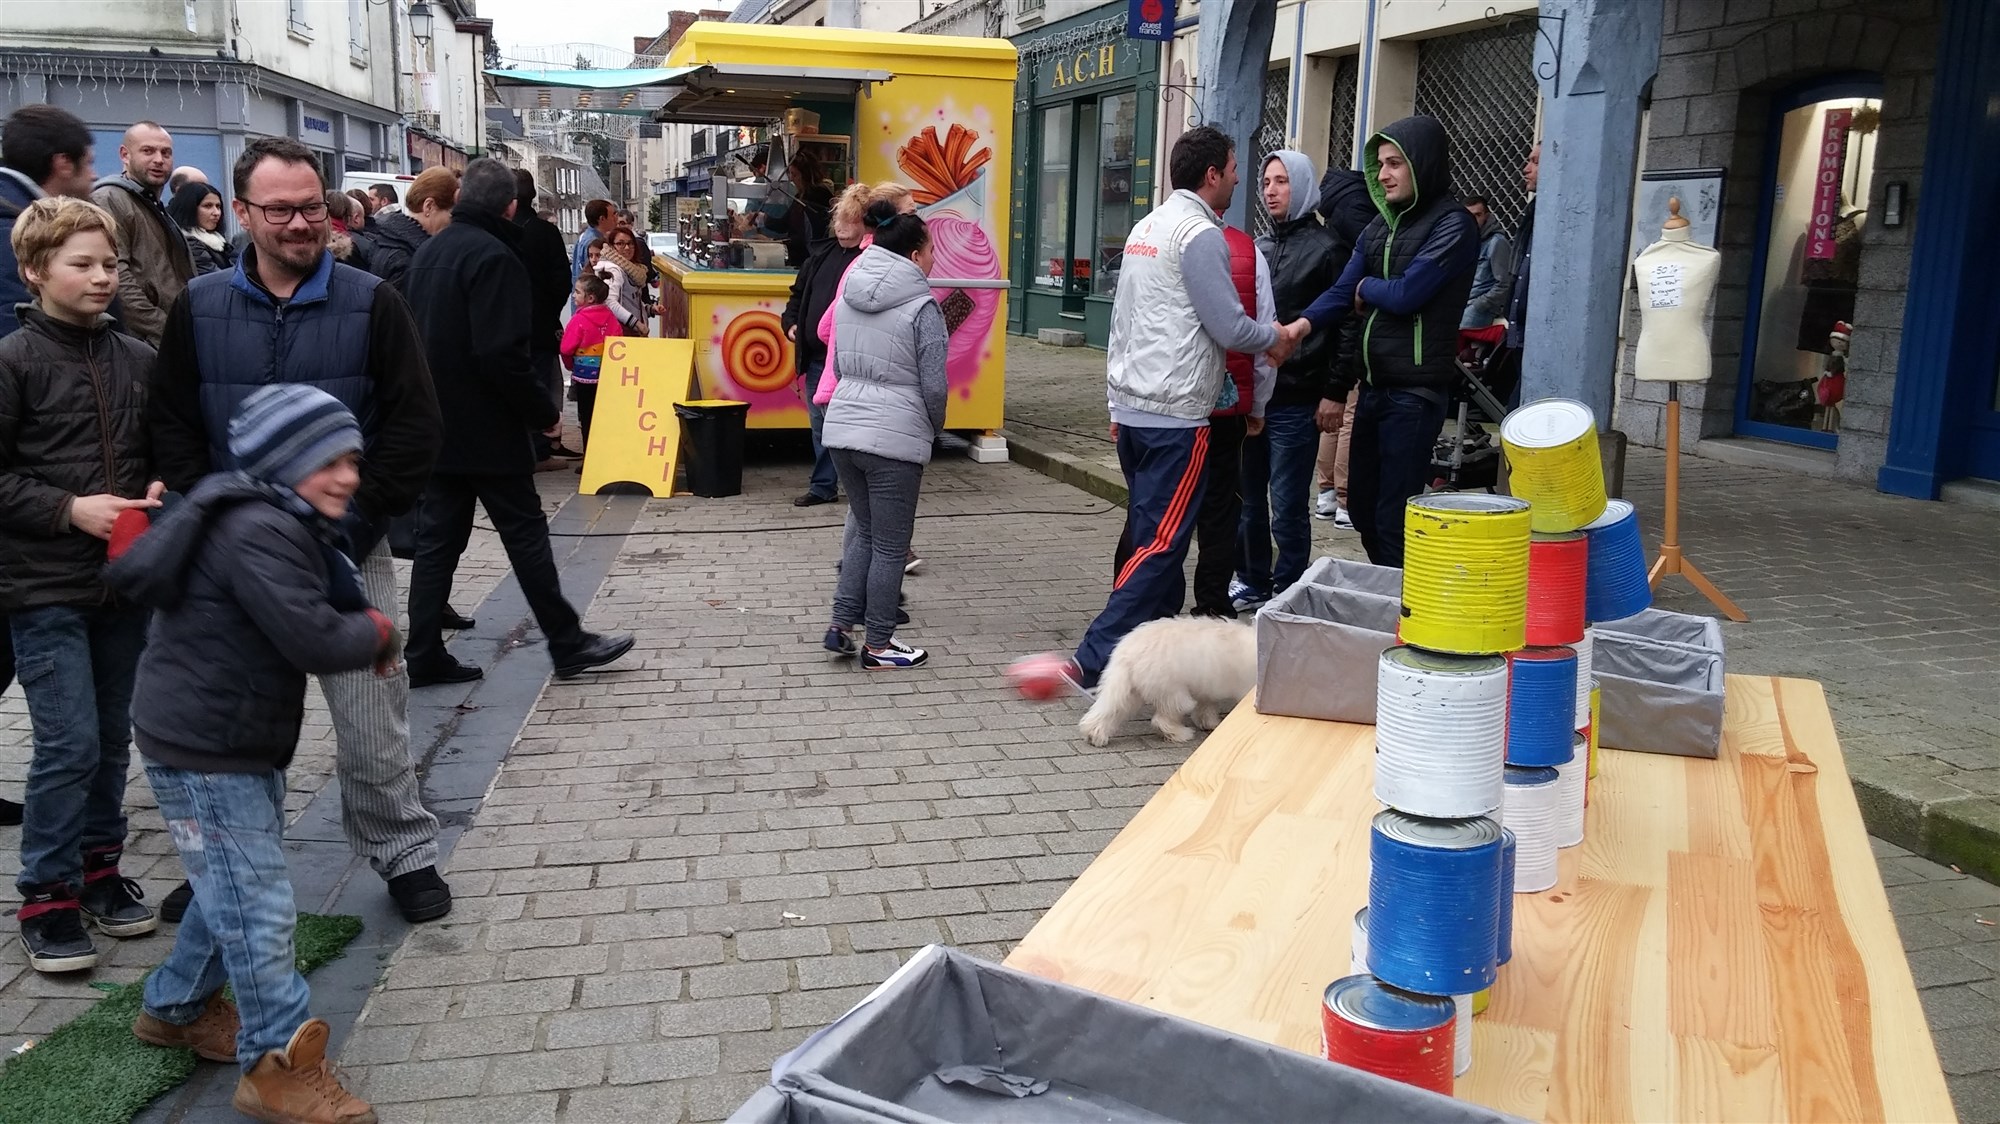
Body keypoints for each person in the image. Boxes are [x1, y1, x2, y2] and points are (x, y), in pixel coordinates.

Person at [149, 135, 452, 924]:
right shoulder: (200, 304)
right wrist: (215, 516)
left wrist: (350, 521)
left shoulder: (371, 300)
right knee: (228, 722)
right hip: (229, 557)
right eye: (279, 210)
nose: (299, 223)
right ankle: (225, 864)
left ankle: (403, 850)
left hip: (347, 542)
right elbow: (174, 423)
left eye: (311, 206)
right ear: (243, 212)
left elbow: (414, 427)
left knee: (371, 710)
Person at [109, 384, 391, 1124]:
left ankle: (173, 1008)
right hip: (206, 746)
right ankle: (275, 1066)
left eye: (353, 460)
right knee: (260, 907)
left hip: (229, 736)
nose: (348, 477)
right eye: (327, 461)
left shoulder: (273, 518)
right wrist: (380, 633)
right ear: (279, 462)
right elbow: (315, 639)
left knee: (229, 884)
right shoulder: (256, 530)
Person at [1014, 126, 1285, 697]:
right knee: (1160, 547)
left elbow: (1123, 323)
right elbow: (1229, 326)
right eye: (1235, 168)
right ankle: (1089, 665)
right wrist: (1279, 336)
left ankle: (1151, 666)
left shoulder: (1145, 227)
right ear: (1211, 174)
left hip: (1137, 409)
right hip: (1176, 416)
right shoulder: (1199, 234)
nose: (1239, 178)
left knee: (1149, 537)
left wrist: (1115, 401)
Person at [1, 196, 164, 972]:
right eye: (83, 265)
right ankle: (47, 893)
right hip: (43, 587)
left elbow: (163, 446)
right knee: (66, 743)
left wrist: (162, 491)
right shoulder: (13, 361)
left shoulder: (136, 357)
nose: (102, 278)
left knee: (109, 740)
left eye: (109, 264)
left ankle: (101, 870)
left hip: (123, 586)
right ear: (34, 271)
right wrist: (69, 509)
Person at [400, 158, 634, 687]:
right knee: (525, 536)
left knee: (438, 540)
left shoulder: (430, 253)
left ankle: (422, 652)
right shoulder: (494, 256)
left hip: (438, 422)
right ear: (510, 206)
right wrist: (543, 412)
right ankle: (567, 642)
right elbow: (501, 353)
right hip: (488, 426)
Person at [1281, 115, 1481, 568]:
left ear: (1422, 165)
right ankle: (1391, 598)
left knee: (1394, 517)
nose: (1385, 175)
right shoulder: (1380, 227)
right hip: (1372, 388)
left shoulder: (1453, 225)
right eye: (1381, 165)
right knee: (1365, 511)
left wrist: (1368, 289)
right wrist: (1298, 328)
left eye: (1395, 164)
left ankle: (1405, 615)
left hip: (1414, 394)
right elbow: (1340, 291)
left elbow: (1409, 293)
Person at [819, 202, 946, 670]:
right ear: (914, 256)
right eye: (931, 249)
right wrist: (933, 428)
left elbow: (833, 354)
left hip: (844, 430)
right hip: (895, 437)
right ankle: (880, 645)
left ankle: (840, 625)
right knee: (891, 546)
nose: (935, 258)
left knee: (865, 534)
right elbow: (934, 384)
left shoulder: (849, 288)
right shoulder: (922, 306)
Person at [1230, 149, 1339, 612]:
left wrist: (1333, 390)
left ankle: (1290, 589)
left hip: (1297, 396)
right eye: (1266, 182)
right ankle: (1253, 579)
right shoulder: (1261, 246)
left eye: (1282, 181)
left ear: (1302, 186)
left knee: (1288, 503)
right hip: (1257, 397)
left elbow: (1340, 328)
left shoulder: (1328, 249)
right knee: (1248, 498)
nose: (1271, 190)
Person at [1176, 222, 1274, 618]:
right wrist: (1258, 404)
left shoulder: (1155, 237)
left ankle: (1150, 607)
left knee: (1165, 512)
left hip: (1171, 408)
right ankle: (1213, 607)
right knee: (1220, 512)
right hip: (1226, 405)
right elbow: (1263, 331)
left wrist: (1119, 404)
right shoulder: (1247, 250)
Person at [782, 182, 864, 507]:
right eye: (839, 219)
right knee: (820, 425)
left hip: (849, 360)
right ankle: (823, 486)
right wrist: (790, 325)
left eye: (850, 220)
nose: (841, 226)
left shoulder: (868, 260)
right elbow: (797, 296)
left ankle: (855, 486)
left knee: (849, 427)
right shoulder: (820, 254)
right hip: (817, 358)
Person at [1311, 161, 1377, 527]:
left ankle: (1326, 493)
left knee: (1335, 416)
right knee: (1349, 411)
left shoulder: (1336, 209)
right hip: (1354, 322)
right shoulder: (1360, 210)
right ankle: (1345, 502)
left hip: (1334, 326)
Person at [91, 121, 195, 347]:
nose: (159, 159)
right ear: (125, 155)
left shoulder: (152, 204)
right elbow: (118, 277)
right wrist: (165, 329)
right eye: (148, 151)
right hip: (145, 344)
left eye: (166, 152)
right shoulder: (110, 199)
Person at [1, 105, 98, 340]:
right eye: (88, 163)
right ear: (63, 163)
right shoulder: (16, 233)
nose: (93, 175)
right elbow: (15, 326)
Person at [511, 169, 574, 463]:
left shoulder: (495, 231)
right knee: (540, 382)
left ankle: (524, 444)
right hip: (539, 325)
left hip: (506, 326)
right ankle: (539, 445)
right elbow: (562, 280)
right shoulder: (544, 232)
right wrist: (549, 312)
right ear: (532, 196)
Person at [367, 166, 455, 292]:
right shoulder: (412, 257)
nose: (451, 221)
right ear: (428, 206)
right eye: (450, 213)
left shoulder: (387, 240)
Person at [560, 273, 619, 445]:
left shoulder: (578, 320)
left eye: (577, 292)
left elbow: (565, 348)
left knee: (586, 417)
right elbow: (618, 341)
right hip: (606, 376)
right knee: (603, 415)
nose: (573, 295)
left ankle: (588, 458)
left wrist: (570, 366)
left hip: (584, 377)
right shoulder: (611, 319)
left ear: (590, 298)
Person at [1501, 143, 1540, 406]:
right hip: (1520, 326)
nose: (1526, 169)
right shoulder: (1533, 211)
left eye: (1535, 162)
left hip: (1536, 327)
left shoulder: (1555, 212)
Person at [1461, 193, 1515, 329]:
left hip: (1477, 309)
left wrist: (1480, 305)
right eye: (1468, 215)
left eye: (1477, 215)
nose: (1473, 220)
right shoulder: (1466, 240)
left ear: (1486, 216)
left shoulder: (1496, 242)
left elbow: (1504, 283)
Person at [168, 181, 235, 276]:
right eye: (208, 206)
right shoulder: (191, 244)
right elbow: (217, 279)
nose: (216, 213)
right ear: (189, 208)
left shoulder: (218, 240)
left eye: (218, 206)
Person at [594, 224, 650, 335]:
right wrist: (636, 323)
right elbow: (609, 302)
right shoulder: (612, 269)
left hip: (632, 332)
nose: (627, 248)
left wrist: (650, 309)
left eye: (630, 243)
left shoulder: (630, 268)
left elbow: (629, 301)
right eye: (620, 244)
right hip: (621, 333)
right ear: (611, 246)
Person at [571, 198, 618, 281]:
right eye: (612, 215)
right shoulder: (592, 242)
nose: (616, 218)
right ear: (602, 219)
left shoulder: (584, 236)